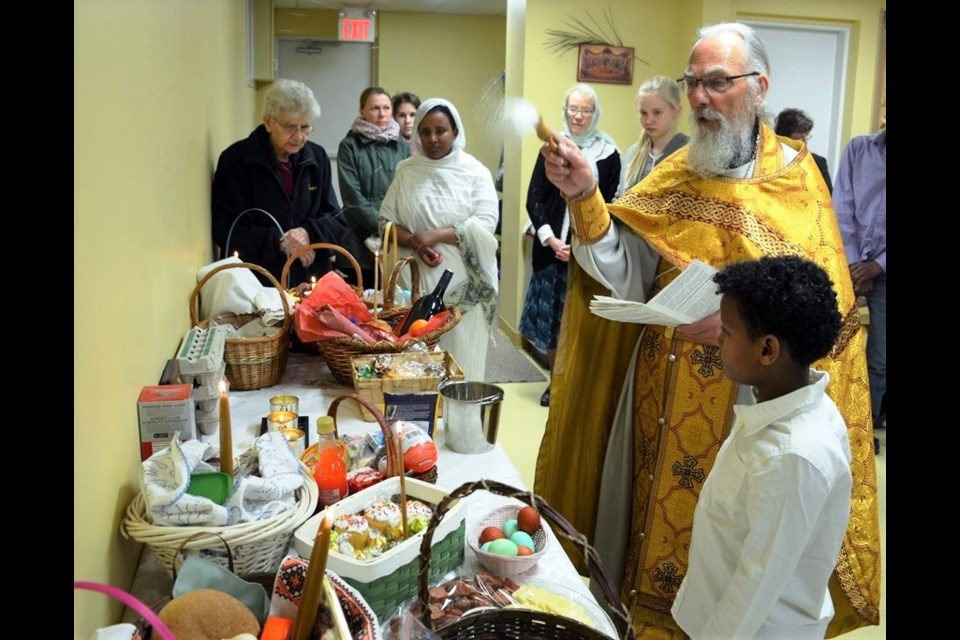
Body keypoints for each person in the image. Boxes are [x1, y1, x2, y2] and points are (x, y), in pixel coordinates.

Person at [533, 22, 881, 637]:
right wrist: (587, 194)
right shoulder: (678, 171)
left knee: (737, 557)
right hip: (657, 402)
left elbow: (827, 317)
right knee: (644, 533)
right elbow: (627, 268)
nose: (699, 97)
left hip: (746, 405)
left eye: (716, 82)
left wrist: (746, 321)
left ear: (758, 87)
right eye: (693, 82)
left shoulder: (800, 182)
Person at [671, 255, 852, 639]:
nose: (718, 338)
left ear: (767, 350)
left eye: (727, 331)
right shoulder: (789, 399)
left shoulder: (792, 455)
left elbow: (756, 587)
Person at [379, 98, 499, 381]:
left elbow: (485, 224)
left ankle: (463, 424)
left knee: (461, 367)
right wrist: (416, 243)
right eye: (425, 131)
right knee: (416, 367)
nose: (432, 138)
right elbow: (385, 223)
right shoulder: (406, 172)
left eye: (441, 130)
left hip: (464, 285)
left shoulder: (475, 172)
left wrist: (436, 235)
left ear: (455, 132)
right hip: (415, 285)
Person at [520, 84, 620, 407]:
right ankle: (555, 381)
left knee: (578, 324)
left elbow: (610, 204)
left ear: (595, 114)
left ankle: (577, 384)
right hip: (552, 253)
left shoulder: (609, 153)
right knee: (551, 325)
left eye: (585, 110)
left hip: (588, 256)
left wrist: (579, 245)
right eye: (573, 109)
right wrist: (551, 240)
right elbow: (534, 199)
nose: (578, 116)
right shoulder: (550, 148)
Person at [212, 78, 346, 287]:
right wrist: (281, 242)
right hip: (259, 283)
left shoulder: (317, 157)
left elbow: (337, 219)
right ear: (268, 122)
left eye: (305, 127)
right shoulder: (236, 160)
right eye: (290, 127)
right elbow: (226, 229)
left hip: (311, 279)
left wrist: (308, 233)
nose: (299, 136)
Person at [834, 127, 886, 455]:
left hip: (884, 270)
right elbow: (842, 208)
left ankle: (864, 432)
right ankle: (836, 423)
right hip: (848, 265)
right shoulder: (858, 149)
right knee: (835, 344)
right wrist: (855, 264)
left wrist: (878, 265)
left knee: (880, 358)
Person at [337, 87, 410, 288]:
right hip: (358, 242)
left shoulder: (402, 148)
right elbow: (352, 198)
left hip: (395, 241)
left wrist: (396, 231)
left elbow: (408, 193)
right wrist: (384, 227)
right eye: (375, 108)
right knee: (362, 307)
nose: (382, 114)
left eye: (386, 108)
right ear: (362, 111)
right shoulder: (349, 146)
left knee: (393, 306)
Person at [617, 75, 689, 197]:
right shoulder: (632, 153)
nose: (649, 120)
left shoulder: (690, 153)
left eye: (657, 112)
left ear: (676, 112)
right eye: (643, 113)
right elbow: (620, 200)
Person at [774, 107, 832, 194]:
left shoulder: (818, 162)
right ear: (784, 137)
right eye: (800, 136)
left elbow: (827, 196)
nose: (805, 140)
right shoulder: (769, 160)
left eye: (807, 135)